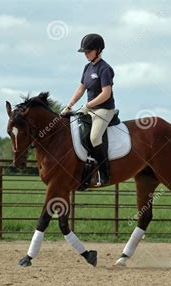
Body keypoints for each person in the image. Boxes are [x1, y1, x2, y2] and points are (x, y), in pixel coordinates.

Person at [61, 33, 116, 186]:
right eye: (84, 52)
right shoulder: (87, 67)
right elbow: (81, 89)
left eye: (88, 51)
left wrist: (88, 105)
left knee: (94, 138)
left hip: (104, 110)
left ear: (98, 50)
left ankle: (105, 174)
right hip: (89, 109)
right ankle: (85, 172)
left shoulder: (105, 69)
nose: (85, 54)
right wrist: (69, 106)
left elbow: (106, 94)